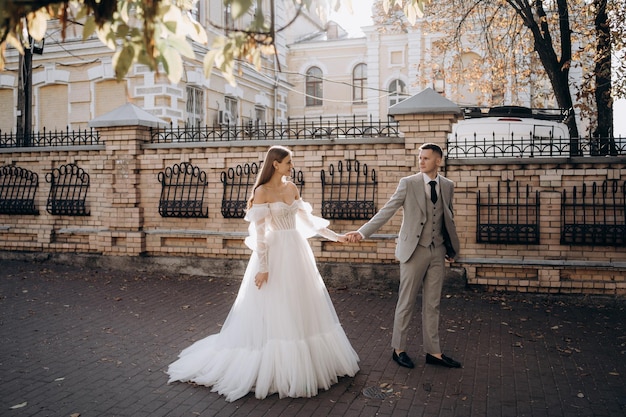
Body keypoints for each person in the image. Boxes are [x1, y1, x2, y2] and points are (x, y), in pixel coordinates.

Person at [167, 145, 359, 401]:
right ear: (275, 163)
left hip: (297, 252)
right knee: (277, 306)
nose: (292, 166)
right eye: (289, 162)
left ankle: (308, 361)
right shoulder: (262, 192)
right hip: (276, 253)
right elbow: (259, 234)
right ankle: (278, 365)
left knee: (301, 304)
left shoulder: (291, 188)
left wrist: (337, 237)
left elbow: (308, 222)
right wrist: (263, 267)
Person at [346, 143, 461, 369]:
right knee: (406, 302)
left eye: (426, 158)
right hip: (414, 250)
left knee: (433, 304)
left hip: (437, 251)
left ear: (438, 161)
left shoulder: (448, 185)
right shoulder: (408, 184)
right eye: (420, 158)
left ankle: (434, 353)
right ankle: (399, 350)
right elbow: (387, 210)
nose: (421, 161)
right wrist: (362, 232)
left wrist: (450, 248)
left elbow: (448, 217)